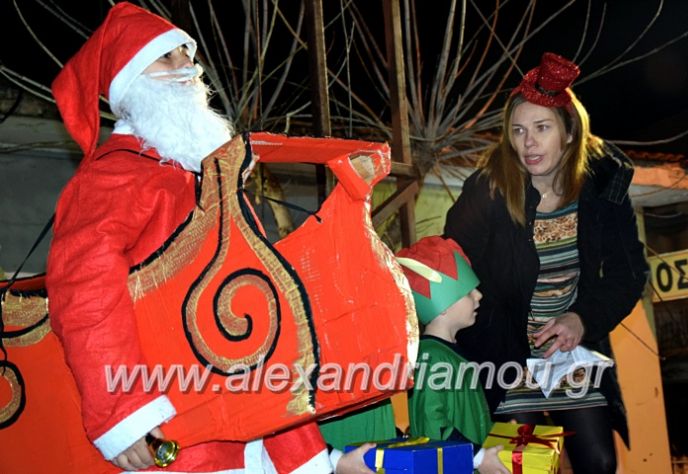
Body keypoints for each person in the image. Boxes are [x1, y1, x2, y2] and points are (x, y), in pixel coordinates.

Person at [46, 2, 371, 472]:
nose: (188, 69)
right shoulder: (113, 177)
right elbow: (84, 294)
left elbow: (263, 319)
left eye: (186, 54)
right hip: (172, 434)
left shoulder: (211, 182)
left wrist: (312, 459)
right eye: (167, 58)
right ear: (130, 82)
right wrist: (124, 412)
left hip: (237, 426)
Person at [444, 52, 649, 474]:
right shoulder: (487, 189)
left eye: (541, 128)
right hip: (505, 355)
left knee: (599, 461)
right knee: (526, 466)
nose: (528, 143)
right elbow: (454, 267)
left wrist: (582, 319)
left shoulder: (603, 188)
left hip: (569, 354)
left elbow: (629, 275)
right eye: (518, 131)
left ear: (569, 133)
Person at [396, 236, 509, 474]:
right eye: (468, 292)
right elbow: (432, 425)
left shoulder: (450, 351)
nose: (478, 296)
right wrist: (477, 456)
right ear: (443, 305)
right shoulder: (431, 358)